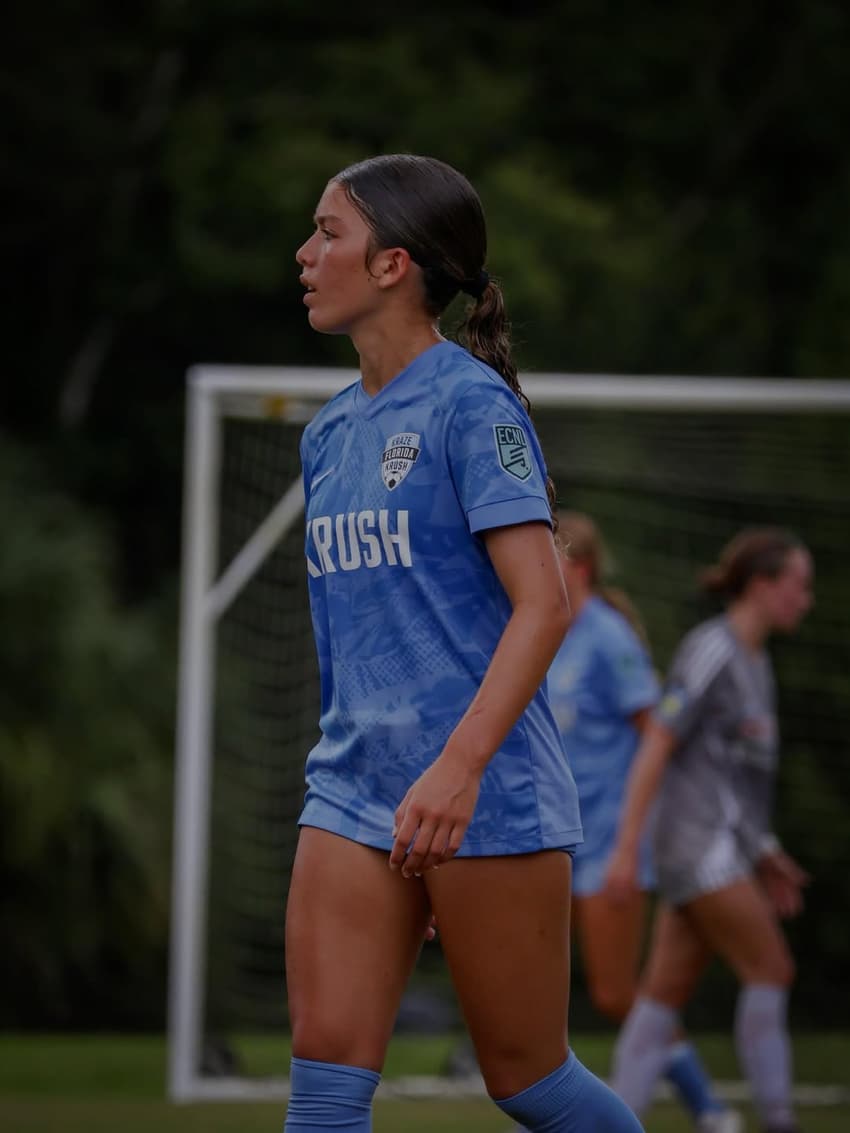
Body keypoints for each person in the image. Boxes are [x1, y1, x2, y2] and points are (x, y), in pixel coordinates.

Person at [285, 152, 643, 1132]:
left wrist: (453, 774)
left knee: (530, 1082)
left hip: (484, 789)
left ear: (394, 263)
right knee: (321, 1092)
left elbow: (545, 604)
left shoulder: (472, 405)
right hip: (354, 787)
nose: (306, 253)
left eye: (329, 231)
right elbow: (344, 634)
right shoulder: (324, 436)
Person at [604, 528, 814, 1133]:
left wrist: (766, 851)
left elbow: (736, 786)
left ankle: (615, 1121)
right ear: (762, 584)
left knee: (659, 997)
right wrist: (625, 851)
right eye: (799, 585)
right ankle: (779, 1120)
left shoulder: (758, 663)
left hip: (717, 849)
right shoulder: (712, 648)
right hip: (697, 848)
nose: (806, 600)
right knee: (772, 968)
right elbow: (657, 748)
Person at [541, 512, 741, 1133]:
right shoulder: (542, 631)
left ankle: (709, 1108)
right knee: (545, 993)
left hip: (609, 846)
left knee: (616, 993)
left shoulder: (608, 639)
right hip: (555, 844)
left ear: (577, 569)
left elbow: (657, 743)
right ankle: (540, 1111)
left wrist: (633, 846)